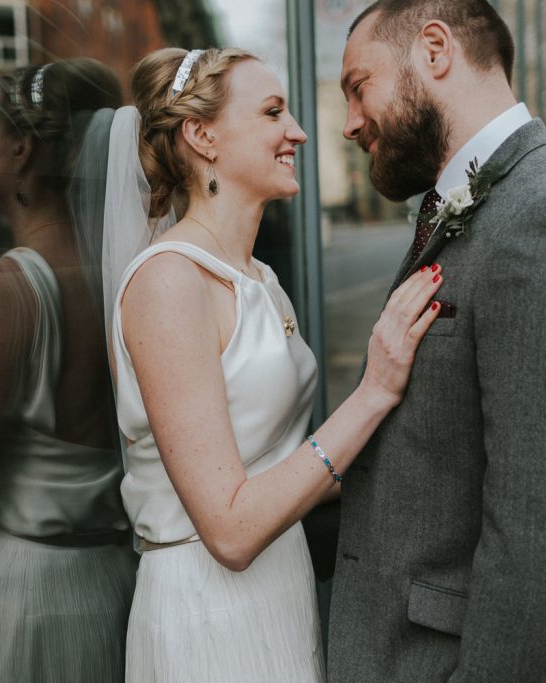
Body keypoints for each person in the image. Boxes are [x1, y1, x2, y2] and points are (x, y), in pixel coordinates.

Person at [102, 47, 445, 682]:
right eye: (272, 112)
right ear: (203, 136)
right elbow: (229, 531)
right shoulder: (169, 283)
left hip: (281, 590)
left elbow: (284, 463)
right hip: (209, 616)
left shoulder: (260, 278)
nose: (299, 131)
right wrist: (373, 392)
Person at [329, 2, 546, 680]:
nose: (350, 122)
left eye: (358, 85)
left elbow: (543, 532)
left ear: (434, 51)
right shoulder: (472, 204)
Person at [0, 58, 136, 682]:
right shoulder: (118, 274)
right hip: (110, 584)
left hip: (26, 600)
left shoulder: (8, 289)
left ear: (21, 149)